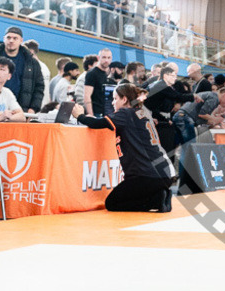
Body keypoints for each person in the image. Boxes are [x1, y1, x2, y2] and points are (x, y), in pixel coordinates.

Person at [73, 84, 174, 212]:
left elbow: (96, 123)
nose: (113, 103)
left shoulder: (125, 114)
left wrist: (80, 115)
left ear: (125, 99)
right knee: (127, 196)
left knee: (112, 203)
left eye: (115, 99)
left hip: (145, 175)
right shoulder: (143, 113)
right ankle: (158, 195)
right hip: (165, 173)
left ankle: (156, 200)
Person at [0, 26, 44, 113]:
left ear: (21, 40)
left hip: (20, 110)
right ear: (4, 39)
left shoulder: (31, 62)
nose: (11, 40)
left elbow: (39, 86)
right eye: (8, 37)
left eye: (15, 38)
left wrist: (33, 108)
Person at [82, 48, 113, 117]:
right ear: (98, 58)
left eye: (109, 58)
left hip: (106, 113)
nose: (106, 60)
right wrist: (91, 115)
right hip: (96, 113)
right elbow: (86, 96)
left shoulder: (106, 74)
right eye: (104, 57)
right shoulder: (92, 73)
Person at [24, 39, 52, 110]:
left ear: (31, 52)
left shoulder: (33, 67)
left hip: (35, 106)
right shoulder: (45, 66)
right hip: (43, 105)